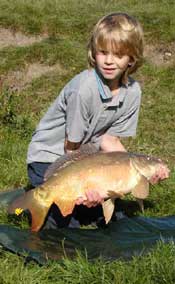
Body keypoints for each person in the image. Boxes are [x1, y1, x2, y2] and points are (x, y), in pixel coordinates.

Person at [26, 13, 167, 229]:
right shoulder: (83, 89)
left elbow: (110, 142)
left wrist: (142, 172)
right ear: (94, 52)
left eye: (119, 54)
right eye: (103, 52)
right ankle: (34, 198)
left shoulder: (133, 91)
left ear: (132, 58)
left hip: (87, 158)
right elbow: (70, 148)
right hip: (50, 157)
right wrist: (80, 188)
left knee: (105, 216)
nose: (109, 60)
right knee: (63, 225)